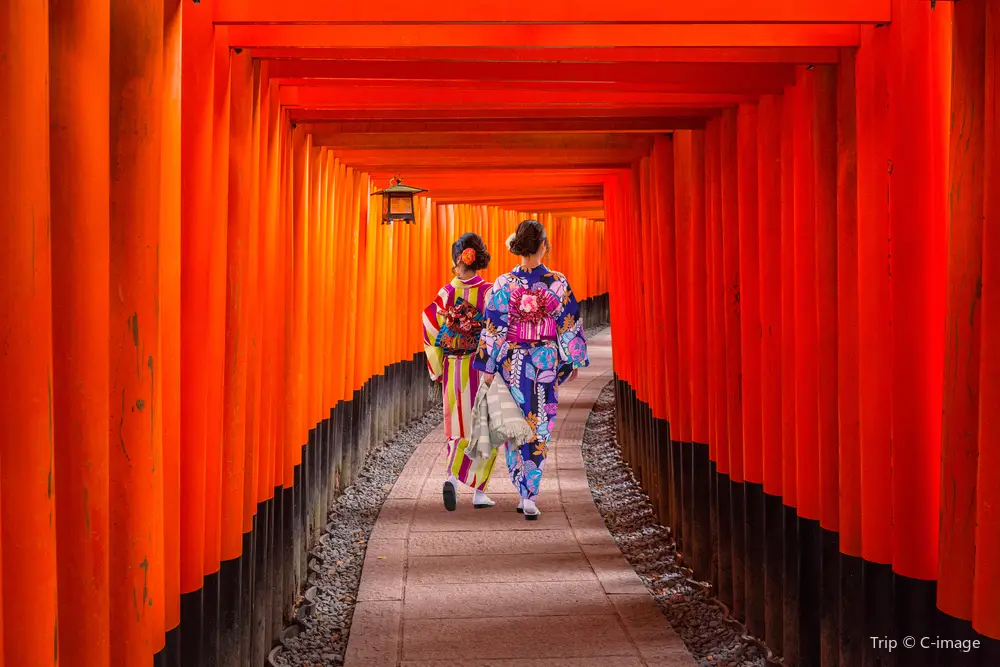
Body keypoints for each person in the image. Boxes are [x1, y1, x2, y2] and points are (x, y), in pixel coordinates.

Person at [472, 219, 590, 520]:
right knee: (539, 426)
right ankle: (529, 494)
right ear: (543, 246)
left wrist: (489, 364)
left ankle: (521, 487)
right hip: (544, 361)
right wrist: (573, 357)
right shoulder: (557, 282)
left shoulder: (502, 284)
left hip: (513, 362)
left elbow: (494, 326)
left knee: (517, 425)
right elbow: (569, 321)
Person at [422, 233, 499, 511]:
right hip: (482, 366)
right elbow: (496, 330)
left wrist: (438, 367)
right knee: (486, 426)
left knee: (457, 422)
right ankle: (479, 492)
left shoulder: (446, 293)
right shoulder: (490, 291)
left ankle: (452, 477)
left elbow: (430, 327)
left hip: (454, 365)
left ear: (458, 259)